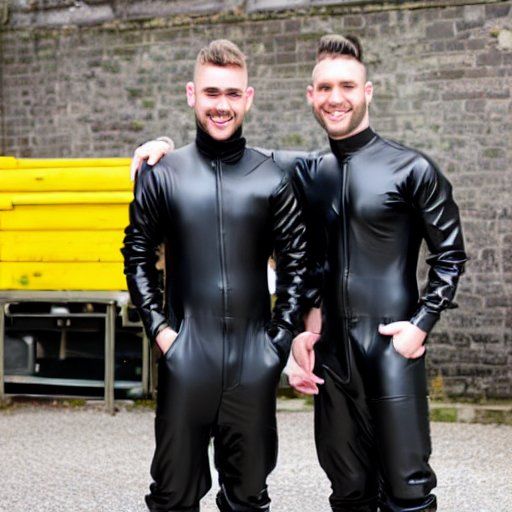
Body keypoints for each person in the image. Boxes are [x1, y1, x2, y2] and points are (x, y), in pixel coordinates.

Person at [131, 35, 467, 512]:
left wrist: (421, 325)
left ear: (368, 91)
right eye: (325, 87)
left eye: (346, 86)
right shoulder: (308, 170)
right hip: (332, 356)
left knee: (408, 490)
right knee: (348, 490)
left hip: (392, 345)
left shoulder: (412, 168)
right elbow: (228, 155)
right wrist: (162, 147)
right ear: (311, 96)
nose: (335, 98)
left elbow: (451, 255)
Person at [122, 39, 309, 512]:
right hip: (187, 356)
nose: (221, 105)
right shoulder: (164, 173)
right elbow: (137, 255)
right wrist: (161, 332)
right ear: (192, 94)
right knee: (173, 496)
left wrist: (278, 341)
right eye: (211, 93)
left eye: (232, 94)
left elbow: (295, 261)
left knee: (248, 498)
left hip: (254, 359)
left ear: (248, 98)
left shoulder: (272, 176)